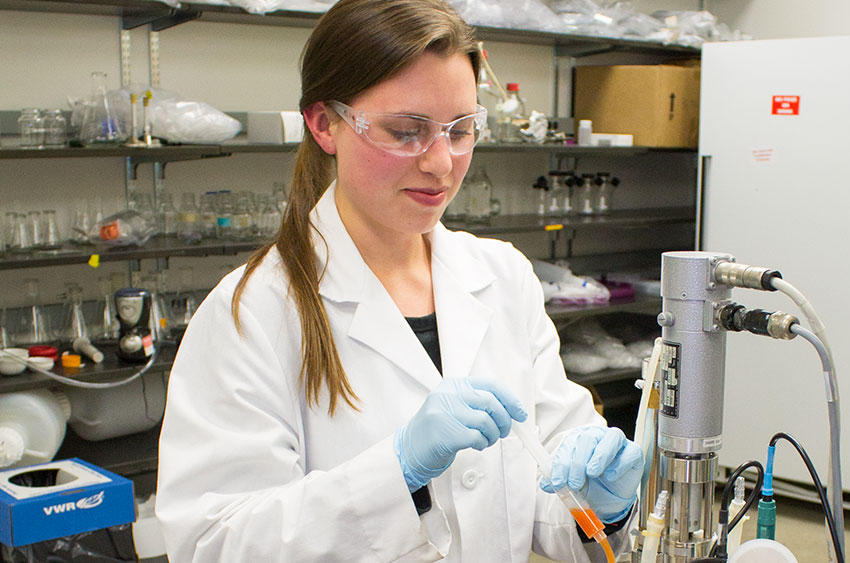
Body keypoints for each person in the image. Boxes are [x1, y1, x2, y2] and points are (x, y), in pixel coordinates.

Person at [155, 0, 643, 560]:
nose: (440, 163)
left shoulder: (503, 276)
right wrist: (396, 471)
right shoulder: (253, 313)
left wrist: (601, 508)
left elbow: (548, 491)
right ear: (324, 124)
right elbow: (214, 544)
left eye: (461, 130)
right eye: (406, 131)